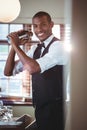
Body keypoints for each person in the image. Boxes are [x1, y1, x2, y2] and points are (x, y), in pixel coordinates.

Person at [4, 11, 68, 130]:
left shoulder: (59, 46)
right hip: (39, 110)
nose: (39, 29)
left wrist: (16, 46)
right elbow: (8, 71)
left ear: (51, 24)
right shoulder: (34, 49)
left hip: (55, 111)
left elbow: (34, 68)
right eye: (35, 26)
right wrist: (14, 47)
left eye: (43, 24)